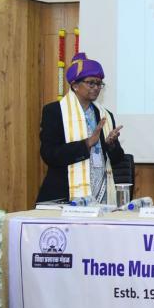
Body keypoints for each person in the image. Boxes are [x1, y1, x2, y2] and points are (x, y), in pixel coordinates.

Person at [37, 53, 124, 204]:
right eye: (91, 83)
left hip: (101, 195)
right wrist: (86, 144)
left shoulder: (105, 115)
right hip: (65, 194)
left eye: (99, 84)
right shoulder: (55, 111)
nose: (96, 88)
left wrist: (111, 145)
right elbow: (49, 155)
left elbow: (117, 160)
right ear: (75, 85)